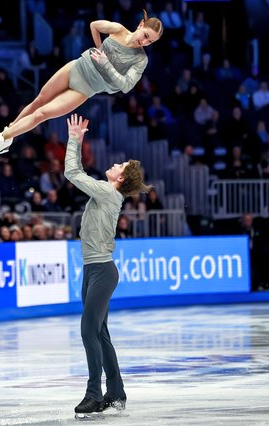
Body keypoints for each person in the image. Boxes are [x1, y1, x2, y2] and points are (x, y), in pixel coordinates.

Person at [0, 11, 163, 157]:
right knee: (39, 100)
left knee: (42, 114)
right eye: (146, 35)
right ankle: (7, 135)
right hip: (77, 66)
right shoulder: (119, 29)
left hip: (86, 88)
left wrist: (106, 63)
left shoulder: (141, 59)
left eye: (150, 42)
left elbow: (126, 86)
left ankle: (1, 138)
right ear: (140, 25)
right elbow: (94, 25)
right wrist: (98, 47)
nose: (145, 42)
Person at [63, 114, 152, 418]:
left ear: (121, 178)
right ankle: (115, 393)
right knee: (99, 332)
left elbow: (72, 172)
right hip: (94, 270)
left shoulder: (108, 191)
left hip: (101, 270)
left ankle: (94, 394)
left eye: (120, 166)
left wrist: (75, 138)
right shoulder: (108, 192)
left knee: (89, 329)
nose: (115, 165)